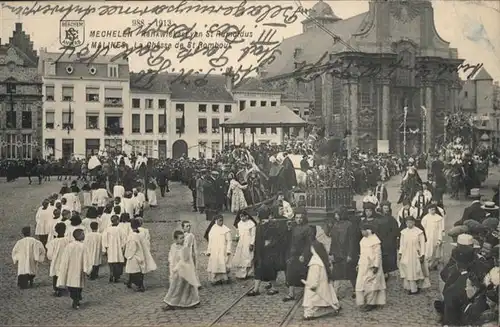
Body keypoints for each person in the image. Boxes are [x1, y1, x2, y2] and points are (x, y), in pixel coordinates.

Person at [302, 237, 340, 320]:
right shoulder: (321, 260)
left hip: (315, 285)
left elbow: (314, 276)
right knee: (323, 299)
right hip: (321, 284)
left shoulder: (315, 262)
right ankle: (331, 307)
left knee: (312, 300)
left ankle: (309, 314)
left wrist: (313, 285)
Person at [163, 230, 201, 311]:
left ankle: (190, 302)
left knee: (185, 287)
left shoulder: (185, 248)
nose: (183, 239)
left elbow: (184, 260)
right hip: (175, 270)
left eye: (183, 237)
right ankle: (171, 303)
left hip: (183, 270)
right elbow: (171, 256)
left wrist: (177, 268)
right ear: (175, 239)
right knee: (175, 287)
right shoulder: (173, 246)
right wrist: (172, 266)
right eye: (181, 238)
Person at [247, 205, 280, 296]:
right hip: (259, 251)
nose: (257, 215)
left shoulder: (271, 225)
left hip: (269, 251)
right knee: (258, 269)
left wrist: (269, 242)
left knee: (270, 269)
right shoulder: (259, 225)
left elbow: (275, 237)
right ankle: (256, 289)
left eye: (258, 213)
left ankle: (274, 288)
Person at [56, 229, 92, 309]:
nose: (84, 235)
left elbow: (65, 259)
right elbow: (87, 259)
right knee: (77, 286)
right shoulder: (82, 246)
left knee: (73, 286)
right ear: (79, 236)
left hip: (72, 269)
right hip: (77, 269)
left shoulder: (70, 246)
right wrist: (87, 269)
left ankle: (76, 300)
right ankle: (76, 299)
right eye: (83, 234)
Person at [355, 222, 386, 311]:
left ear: (368, 230)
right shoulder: (363, 240)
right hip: (363, 264)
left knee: (372, 284)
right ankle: (364, 301)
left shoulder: (375, 241)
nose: (362, 233)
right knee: (362, 283)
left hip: (372, 265)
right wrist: (359, 263)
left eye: (363, 231)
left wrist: (376, 266)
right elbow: (362, 254)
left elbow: (378, 254)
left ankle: (371, 303)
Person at [327, 210, 357, 298]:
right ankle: (335, 293)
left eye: (337, 214)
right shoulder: (335, 225)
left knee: (351, 273)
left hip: (346, 253)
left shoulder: (350, 225)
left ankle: (356, 289)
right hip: (337, 253)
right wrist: (331, 253)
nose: (335, 216)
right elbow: (333, 240)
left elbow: (352, 241)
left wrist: (350, 254)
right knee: (336, 274)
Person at [283, 207, 311, 302]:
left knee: (304, 274)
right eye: (297, 218)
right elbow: (289, 240)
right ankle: (291, 293)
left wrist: (304, 255)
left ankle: (309, 294)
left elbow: (309, 244)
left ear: (303, 218)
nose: (298, 219)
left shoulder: (308, 228)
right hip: (293, 254)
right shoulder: (294, 228)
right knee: (290, 273)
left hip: (302, 255)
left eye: (300, 218)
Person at [398, 215, 430, 295]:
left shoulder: (419, 232)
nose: (409, 224)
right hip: (406, 254)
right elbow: (401, 244)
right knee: (408, 270)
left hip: (416, 254)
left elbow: (422, 244)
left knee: (417, 270)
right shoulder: (403, 232)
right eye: (407, 222)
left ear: (414, 222)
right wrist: (400, 253)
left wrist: (422, 254)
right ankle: (411, 288)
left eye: (410, 222)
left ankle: (418, 286)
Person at [124, 218, 157, 292]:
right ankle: (135, 283)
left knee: (134, 271)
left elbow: (132, 248)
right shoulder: (142, 234)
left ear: (131, 226)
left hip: (134, 256)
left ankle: (138, 285)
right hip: (141, 254)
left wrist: (127, 255)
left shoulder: (132, 236)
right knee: (140, 271)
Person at [206, 214, 232, 285]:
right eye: (219, 220)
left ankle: (224, 278)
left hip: (222, 249)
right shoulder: (212, 229)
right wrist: (209, 250)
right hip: (214, 249)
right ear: (216, 221)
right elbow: (210, 241)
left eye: (222, 220)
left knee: (222, 263)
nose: (221, 222)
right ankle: (215, 279)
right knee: (215, 264)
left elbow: (229, 241)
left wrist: (228, 250)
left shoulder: (226, 230)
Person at [377, 202, 400, 280]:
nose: (386, 210)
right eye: (384, 208)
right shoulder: (379, 218)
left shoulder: (392, 219)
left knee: (388, 257)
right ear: (382, 209)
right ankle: (382, 272)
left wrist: (392, 238)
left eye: (387, 208)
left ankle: (386, 272)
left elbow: (396, 230)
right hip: (381, 240)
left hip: (389, 241)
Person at [46, 222, 70, 296]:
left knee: (56, 275)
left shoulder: (53, 242)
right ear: (65, 230)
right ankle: (65, 287)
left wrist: (51, 258)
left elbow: (49, 255)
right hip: (66, 260)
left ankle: (57, 289)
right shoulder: (68, 240)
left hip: (56, 261)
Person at [232, 210, 256, 279]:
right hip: (241, 242)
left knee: (248, 257)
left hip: (248, 242)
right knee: (241, 257)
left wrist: (252, 243)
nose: (242, 218)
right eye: (240, 217)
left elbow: (253, 235)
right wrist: (237, 238)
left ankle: (248, 273)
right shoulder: (239, 223)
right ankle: (240, 274)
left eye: (243, 216)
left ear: (247, 216)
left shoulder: (251, 224)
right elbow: (239, 233)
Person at [102, 215, 126, 283]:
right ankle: (116, 276)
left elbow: (104, 239)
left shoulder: (107, 229)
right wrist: (122, 247)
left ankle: (111, 274)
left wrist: (105, 247)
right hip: (118, 249)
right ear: (118, 221)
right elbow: (124, 239)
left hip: (110, 248)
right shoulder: (120, 229)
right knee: (118, 263)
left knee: (111, 262)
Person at [421, 205, 444, 270]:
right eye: (431, 209)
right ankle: (427, 265)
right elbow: (423, 228)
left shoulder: (439, 218)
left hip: (436, 236)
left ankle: (434, 264)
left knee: (436, 251)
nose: (432, 211)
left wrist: (440, 238)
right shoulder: (425, 218)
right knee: (428, 250)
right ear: (428, 210)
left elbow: (440, 229)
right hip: (428, 236)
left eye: (434, 209)